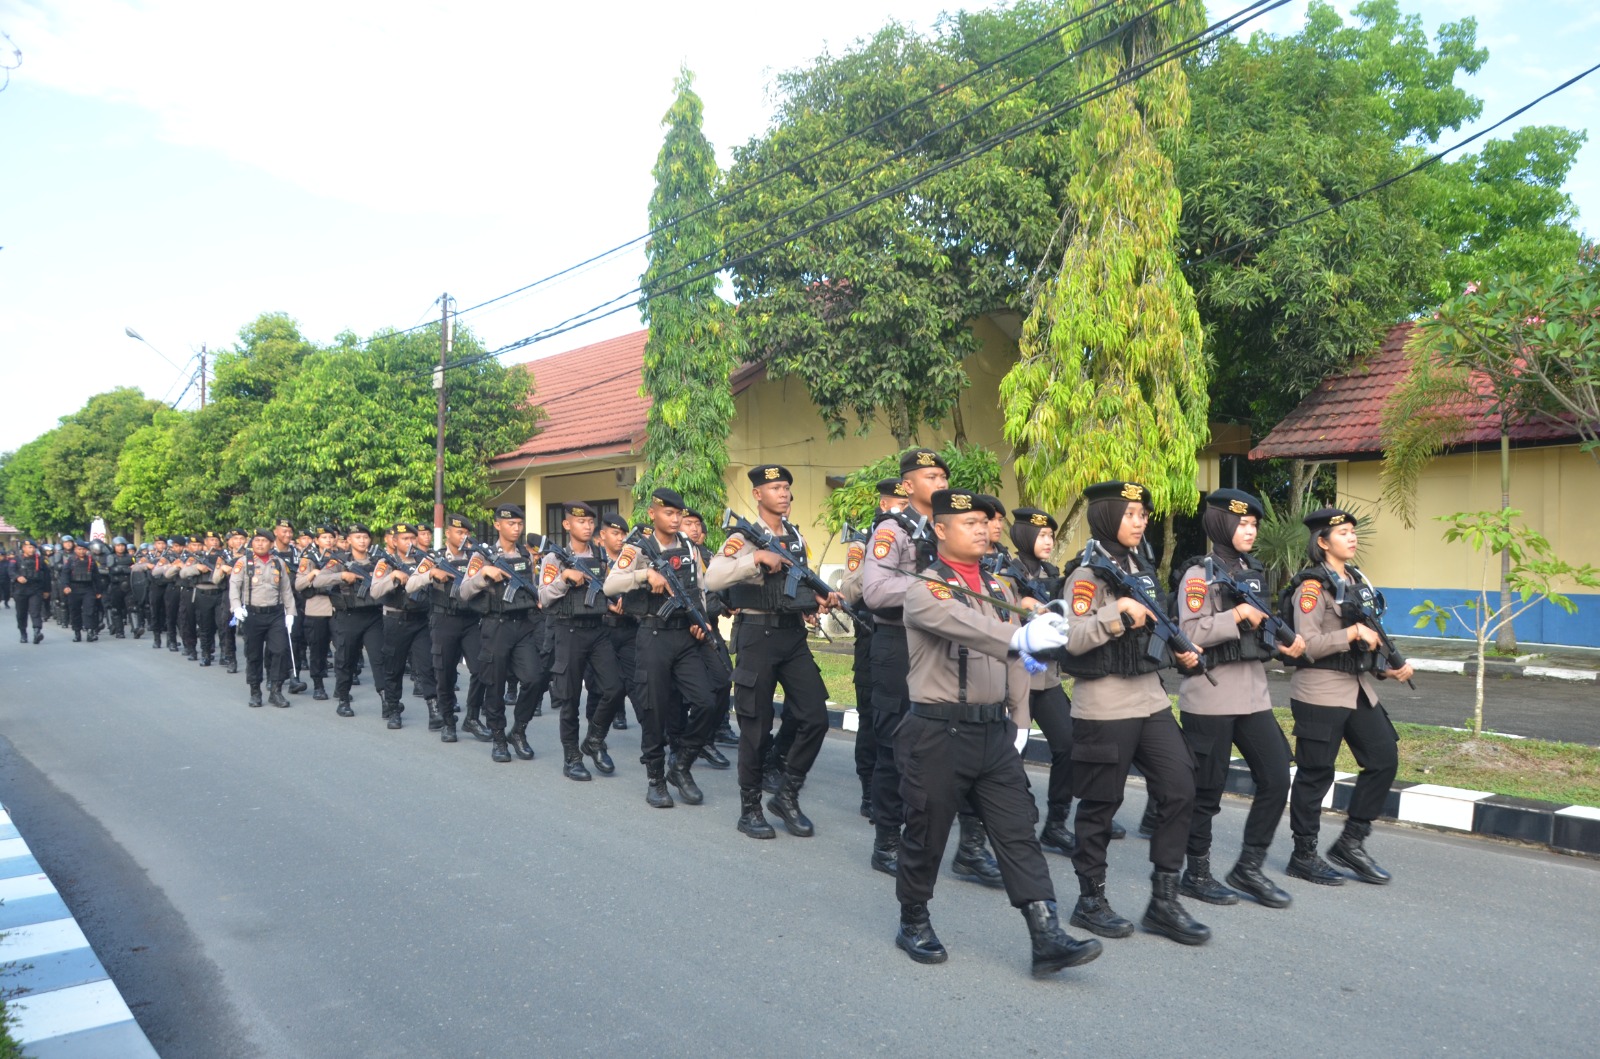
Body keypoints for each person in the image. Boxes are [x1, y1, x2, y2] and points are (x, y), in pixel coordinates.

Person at [892, 487, 1101, 976]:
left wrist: (1020, 718)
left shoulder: (999, 588)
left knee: (1017, 830)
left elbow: (1016, 661)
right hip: (938, 731)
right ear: (940, 529)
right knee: (926, 831)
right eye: (970, 523)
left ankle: (1045, 933)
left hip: (992, 734)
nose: (984, 529)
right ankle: (913, 919)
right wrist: (1020, 634)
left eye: (987, 522)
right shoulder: (926, 587)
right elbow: (962, 625)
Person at [1057, 480, 1210, 946]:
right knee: (1101, 804)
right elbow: (1070, 638)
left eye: (1143, 513)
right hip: (1104, 702)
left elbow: (1157, 625)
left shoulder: (1139, 568)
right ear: (1106, 517)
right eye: (1130, 514)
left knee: (1181, 786)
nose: (1140, 520)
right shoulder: (1086, 575)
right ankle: (1090, 900)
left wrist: (1181, 651)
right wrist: (1118, 614)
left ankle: (1163, 899)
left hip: (1150, 697)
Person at [860, 448, 1002, 886]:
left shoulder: (955, 531)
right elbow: (876, 591)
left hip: (952, 646)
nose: (939, 482)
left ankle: (971, 848)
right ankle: (887, 840)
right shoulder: (893, 529)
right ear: (906, 485)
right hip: (897, 643)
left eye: (942, 475)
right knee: (894, 743)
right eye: (929, 476)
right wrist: (934, 588)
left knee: (966, 745)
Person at [1173, 489, 1305, 908]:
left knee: (1276, 776)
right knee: (1206, 791)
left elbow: (1261, 626)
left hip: (1252, 695)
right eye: (1243, 524)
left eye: (1254, 524)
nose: (1250, 531)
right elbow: (1189, 633)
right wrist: (1235, 617)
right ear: (1222, 525)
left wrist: (1279, 641)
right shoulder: (1199, 574)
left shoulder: (1252, 571)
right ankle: (1196, 872)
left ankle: (1248, 866)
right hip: (1210, 696)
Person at [706, 464, 837, 840]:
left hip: (792, 637)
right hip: (756, 636)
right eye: (775, 487)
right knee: (756, 728)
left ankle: (787, 793)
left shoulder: (794, 536)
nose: (784, 493)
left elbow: (792, 587)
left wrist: (814, 602)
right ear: (758, 495)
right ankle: (750, 809)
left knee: (814, 716)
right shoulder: (742, 537)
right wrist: (755, 560)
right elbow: (713, 578)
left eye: (786, 488)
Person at [1283, 507, 1413, 886]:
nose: (1352, 538)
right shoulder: (1311, 588)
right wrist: (1351, 634)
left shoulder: (1355, 580)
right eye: (1342, 533)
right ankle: (1303, 854)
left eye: (1353, 531)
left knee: (1384, 757)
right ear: (1322, 542)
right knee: (1315, 773)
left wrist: (1383, 667)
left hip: (1357, 688)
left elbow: (1368, 633)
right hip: (1319, 691)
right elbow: (1304, 646)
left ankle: (1351, 843)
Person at [602, 487, 721, 808]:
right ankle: (656, 778)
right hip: (652, 635)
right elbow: (610, 585)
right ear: (653, 514)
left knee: (707, 702)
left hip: (684, 636)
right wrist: (645, 575)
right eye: (669, 513)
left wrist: (702, 619)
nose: (676, 519)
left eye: (679, 514)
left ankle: (680, 765)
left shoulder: (688, 547)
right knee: (654, 709)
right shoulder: (637, 548)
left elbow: (699, 587)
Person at [995, 507, 1079, 858]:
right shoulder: (1002, 575)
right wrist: (1020, 605)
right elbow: (993, 618)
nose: (1048, 542)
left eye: (1051, 536)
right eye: (1042, 535)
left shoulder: (1051, 573)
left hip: (1046, 676)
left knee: (1070, 746)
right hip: (1015, 674)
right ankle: (1015, 818)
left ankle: (1056, 824)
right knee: (1014, 752)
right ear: (1026, 537)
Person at [537, 502, 624, 780]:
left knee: (615, 687)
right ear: (567, 525)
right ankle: (572, 756)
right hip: (569, 631)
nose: (587, 526)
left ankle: (595, 739)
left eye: (590, 522)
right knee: (570, 698)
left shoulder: (600, 555)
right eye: (580, 522)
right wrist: (564, 578)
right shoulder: (555, 558)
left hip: (598, 630)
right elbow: (544, 596)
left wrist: (612, 603)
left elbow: (607, 588)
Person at [838, 477, 908, 820]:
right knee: (872, 719)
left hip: (909, 639)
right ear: (885, 505)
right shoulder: (865, 542)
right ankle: (869, 787)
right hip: (872, 637)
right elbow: (850, 590)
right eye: (900, 504)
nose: (906, 512)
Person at [458, 504, 547, 763]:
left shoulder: (525, 554)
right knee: (494, 684)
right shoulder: (482, 556)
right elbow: (464, 591)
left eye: (519, 524)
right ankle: (498, 736)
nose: (516, 528)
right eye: (511, 524)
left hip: (523, 624)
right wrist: (484, 575)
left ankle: (518, 730)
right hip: (495, 625)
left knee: (534, 678)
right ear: (498, 525)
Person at [409, 513, 487, 743]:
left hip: (471, 620)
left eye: (466, 533)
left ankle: (472, 716)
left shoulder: (476, 558)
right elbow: (411, 584)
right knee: (444, 673)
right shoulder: (434, 558)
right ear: (448, 534)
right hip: (444, 621)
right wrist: (431, 574)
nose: (463, 537)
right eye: (459, 532)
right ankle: (447, 721)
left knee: (482, 669)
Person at [314, 523, 390, 721]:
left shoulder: (378, 561)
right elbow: (318, 581)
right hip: (348, 616)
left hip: (373, 616)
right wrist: (341, 576)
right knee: (345, 659)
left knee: (379, 659)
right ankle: (343, 699)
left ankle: (387, 700)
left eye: (365, 537)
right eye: (358, 537)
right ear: (348, 540)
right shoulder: (338, 561)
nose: (362, 541)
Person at [370, 521, 437, 729]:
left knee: (427, 666)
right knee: (394, 667)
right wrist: (393, 576)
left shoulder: (423, 560)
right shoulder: (386, 562)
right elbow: (375, 591)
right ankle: (392, 708)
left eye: (412, 538)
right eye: (405, 539)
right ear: (394, 541)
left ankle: (434, 709)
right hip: (395, 619)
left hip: (420, 620)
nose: (409, 542)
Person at [584, 512, 639, 736]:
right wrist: (607, 605)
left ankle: (625, 716)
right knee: (598, 685)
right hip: (602, 627)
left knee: (634, 680)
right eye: (615, 533)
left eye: (623, 534)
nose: (620, 539)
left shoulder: (633, 559)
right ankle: (595, 732)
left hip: (628, 626)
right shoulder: (594, 560)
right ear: (602, 535)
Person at [229, 529, 294, 708]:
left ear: (271, 544)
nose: (260, 544)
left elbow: (286, 590)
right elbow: (234, 586)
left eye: (264, 541)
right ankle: (255, 691)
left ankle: (276, 690)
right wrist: (235, 607)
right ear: (252, 543)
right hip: (253, 614)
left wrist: (290, 613)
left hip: (275, 614)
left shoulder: (278, 563)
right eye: (256, 540)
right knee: (254, 654)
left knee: (280, 651)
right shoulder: (243, 563)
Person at [295, 525, 337, 700]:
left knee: (343, 649)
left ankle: (342, 687)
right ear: (317, 541)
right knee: (317, 650)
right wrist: (312, 575)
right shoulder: (309, 559)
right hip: (316, 607)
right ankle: (318, 685)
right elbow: (299, 585)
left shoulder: (340, 558)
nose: (327, 540)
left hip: (337, 607)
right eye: (324, 537)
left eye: (330, 537)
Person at [272, 519, 310, 695]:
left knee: (294, 638)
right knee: (273, 642)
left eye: (289, 532)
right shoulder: (269, 552)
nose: (287, 535)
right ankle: (273, 675)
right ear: (275, 532)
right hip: (273, 601)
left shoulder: (298, 553)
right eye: (284, 531)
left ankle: (294, 676)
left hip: (294, 600)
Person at [62, 541, 104, 642]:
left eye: (83, 549)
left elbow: (97, 577)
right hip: (74, 589)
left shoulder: (91, 561)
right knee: (75, 611)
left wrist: (98, 591)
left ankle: (90, 632)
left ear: (87, 550)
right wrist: (65, 586)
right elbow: (65, 574)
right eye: (79, 549)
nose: (81, 551)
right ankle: (77, 633)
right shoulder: (71, 560)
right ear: (75, 549)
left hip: (88, 589)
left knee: (89, 611)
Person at [12, 539, 50, 643]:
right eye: (29, 547)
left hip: (35, 589)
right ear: (23, 548)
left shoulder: (41, 560)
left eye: (33, 547)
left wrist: (47, 590)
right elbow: (11, 571)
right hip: (20, 590)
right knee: (21, 613)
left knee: (35, 611)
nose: (31, 549)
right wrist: (17, 577)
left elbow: (47, 576)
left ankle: (37, 632)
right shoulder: (17, 559)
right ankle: (23, 633)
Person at [105, 537, 134, 638]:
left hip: (128, 585)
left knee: (132, 607)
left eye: (122, 545)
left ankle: (136, 629)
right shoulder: (111, 557)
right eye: (118, 546)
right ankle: (119, 631)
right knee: (116, 609)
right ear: (114, 547)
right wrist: (126, 569)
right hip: (116, 585)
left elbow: (134, 568)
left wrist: (121, 569)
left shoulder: (130, 557)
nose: (121, 548)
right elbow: (112, 570)